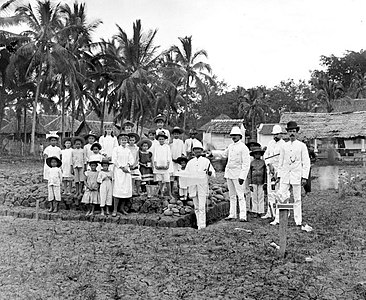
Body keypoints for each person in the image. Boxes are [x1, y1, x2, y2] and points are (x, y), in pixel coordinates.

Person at [271, 121, 311, 226]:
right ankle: (278, 218)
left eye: (294, 131)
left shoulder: (302, 146)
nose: (292, 133)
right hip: (285, 175)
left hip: (297, 175)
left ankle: (298, 220)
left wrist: (304, 177)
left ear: (297, 132)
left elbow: (306, 162)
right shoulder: (284, 146)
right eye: (290, 131)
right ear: (287, 133)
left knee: (297, 198)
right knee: (282, 196)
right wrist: (279, 175)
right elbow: (281, 162)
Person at [211, 126, 250, 222]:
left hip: (238, 174)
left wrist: (242, 176)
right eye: (232, 135)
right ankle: (232, 214)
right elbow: (224, 154)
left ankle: (243, 215)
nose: (234, 137)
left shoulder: (243, 148)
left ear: (240, 136)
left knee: (240, 195)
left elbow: (246, 164)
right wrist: (212, 153)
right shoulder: (230, 146)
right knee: (232, 195)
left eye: (236, 135)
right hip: (229, 173)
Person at [185, 140, 215, 229]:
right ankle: (198, 225)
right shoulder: (190, 162)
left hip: (202, 186)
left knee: (202, 207)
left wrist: (210, 173)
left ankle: (202, 225)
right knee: (196, 207)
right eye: (195, 149)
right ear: (193, 151)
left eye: (199, 149)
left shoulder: (206, 161)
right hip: (193, 186)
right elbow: (186, 174)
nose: (197, 151)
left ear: (202, 151)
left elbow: (213, 174)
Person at [262, 124, 286, 219]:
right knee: (270, 192)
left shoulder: (284, 145)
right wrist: (269, 164)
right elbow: (265, 156)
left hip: (279, 172)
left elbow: (284, 160)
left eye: (277, 134)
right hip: (270, 171)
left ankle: (278, 214)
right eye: (274, 134)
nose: (275, 136)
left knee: (278, 193)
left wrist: (278, 172)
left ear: (281, 134)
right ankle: (270, 212)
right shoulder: (270, 143)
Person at [112, 132, 134, 216]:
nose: (124, 142)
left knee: (125, 190)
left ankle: (121, 208)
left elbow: (131, 160)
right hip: (118, 171)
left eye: (125, 140)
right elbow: (114, 160)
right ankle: (115, 210)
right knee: (118, 189)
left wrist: (127, 166)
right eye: (122, 140)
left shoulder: (128, 150)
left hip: (126, 171)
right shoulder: (116, 149)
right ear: (119, 141)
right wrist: (121, 167)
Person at [152, 131, 174, 199]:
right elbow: (155, 156)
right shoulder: (156, 146)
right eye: (160, 139)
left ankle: (169, 193)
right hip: (158, 165)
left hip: (165, 166)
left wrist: (167, 164)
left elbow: (168, 156)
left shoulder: (167, 146)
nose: (161, 140)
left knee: (167, 180)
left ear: (164, 140)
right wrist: (155, 164)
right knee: (160, 181)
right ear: (158, 140)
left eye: (162, 139)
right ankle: (160, 193)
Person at [248, 146, 267, 217]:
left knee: (261, 196)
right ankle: (255, 211)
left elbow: (265, 173)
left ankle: (261, 211)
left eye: (259, 154)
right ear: (253, 155)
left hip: (261, 181)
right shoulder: (252, 163)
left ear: (261, 155)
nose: (257, 155)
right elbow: (249, 173)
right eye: (256, 154)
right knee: (254, 196)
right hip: (254, 181)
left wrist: (265, 182)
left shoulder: (263, 163)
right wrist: (250, 183)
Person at [170, 126, 186, 191]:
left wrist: (181, 159)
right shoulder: (170, 142)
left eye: (177, 134)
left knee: (179, 175)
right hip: (172, 161)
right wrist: (171, 159)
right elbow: (169, 152)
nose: (176, 135)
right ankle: (171, 190)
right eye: (175, 134)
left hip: (179, 161)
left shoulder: (181, 142)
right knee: (172, 176)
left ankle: (180, 189)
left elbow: (183, 151)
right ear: (173, 134)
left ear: (179, 134)